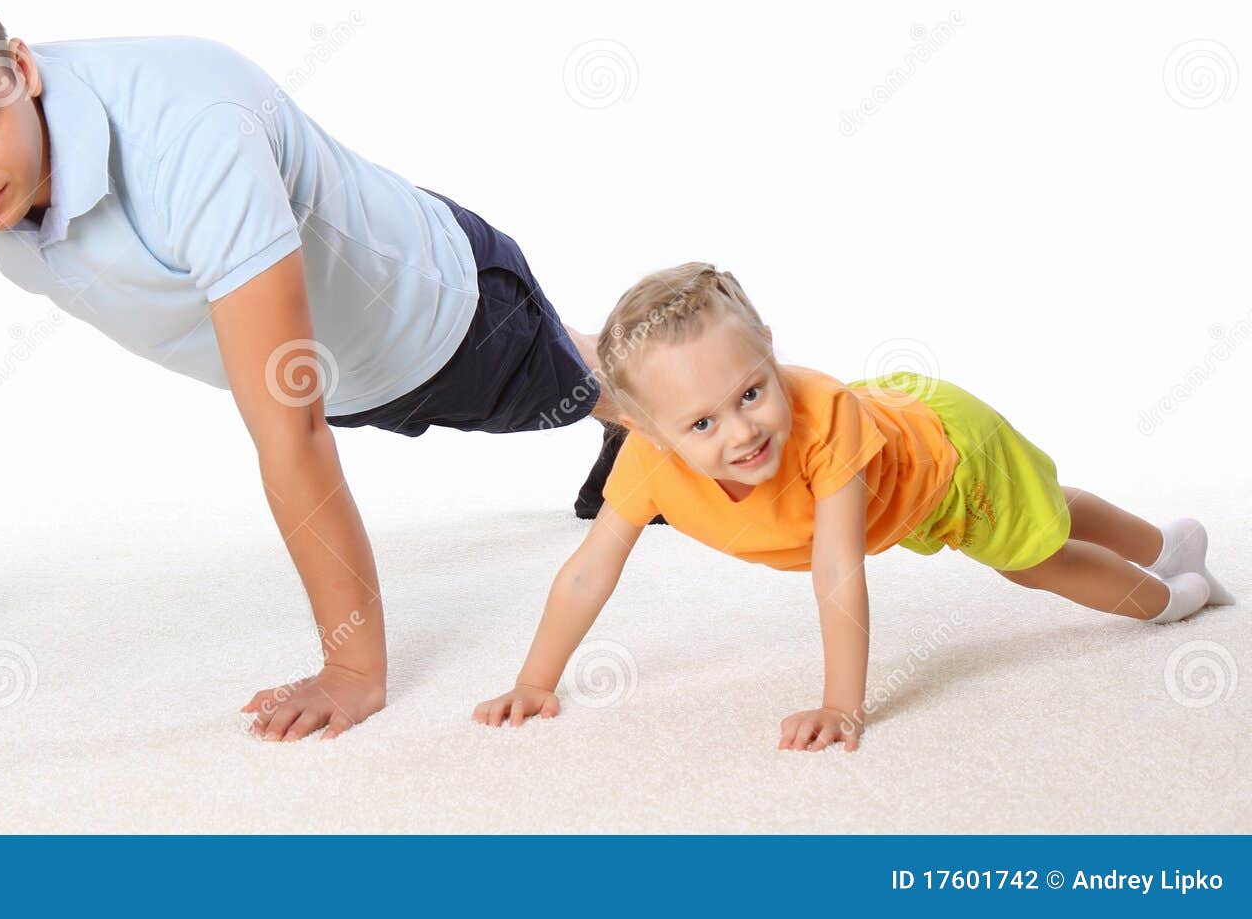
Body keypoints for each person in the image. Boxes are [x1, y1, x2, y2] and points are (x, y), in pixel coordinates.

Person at [0, 0, 623, 741]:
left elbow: (286, 416)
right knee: (582, 377)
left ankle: (667, 378)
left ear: (19, 67)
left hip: (442, 316)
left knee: (592, 388)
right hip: (336, 376)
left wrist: (353, 669)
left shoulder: (188, 130)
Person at [473, 262, 1234, 750]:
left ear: (770, 349)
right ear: (642, 428)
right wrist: (537, 680)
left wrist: (843, 705)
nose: (741, 432)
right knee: (1047, 505)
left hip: (950, 461)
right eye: (702, 423)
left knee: (1035, 556)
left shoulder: (823, 420)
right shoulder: (646, 463)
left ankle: (1173, 596)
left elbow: (838, 569)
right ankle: (1167, 541)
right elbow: (588, 572)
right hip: (908, 475)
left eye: (751, 393)